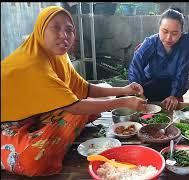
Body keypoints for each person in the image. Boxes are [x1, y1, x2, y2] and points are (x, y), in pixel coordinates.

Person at [1, 6, 147, 176]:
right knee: (33, 160)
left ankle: (57, 138)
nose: (63, 35)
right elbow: (75, 106)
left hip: (37, 114)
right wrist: (124, 101)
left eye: (69, 30)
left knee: (96, 103)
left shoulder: (58, 56)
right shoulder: (33, 63)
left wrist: (124, 89)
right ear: (40, 29)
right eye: (55, 27)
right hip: (10, 123)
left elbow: (84, 88)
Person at [128, 7, 189, 111]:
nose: (168, 38)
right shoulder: (150, 42)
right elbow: (135, 66)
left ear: (182, 32)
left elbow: (183, 72)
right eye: (164, 31)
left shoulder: (186, 42)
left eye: (174, 33)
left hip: (174, 85)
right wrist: (138, 92)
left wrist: (174, 95)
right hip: (152, 85)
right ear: (159, 28)